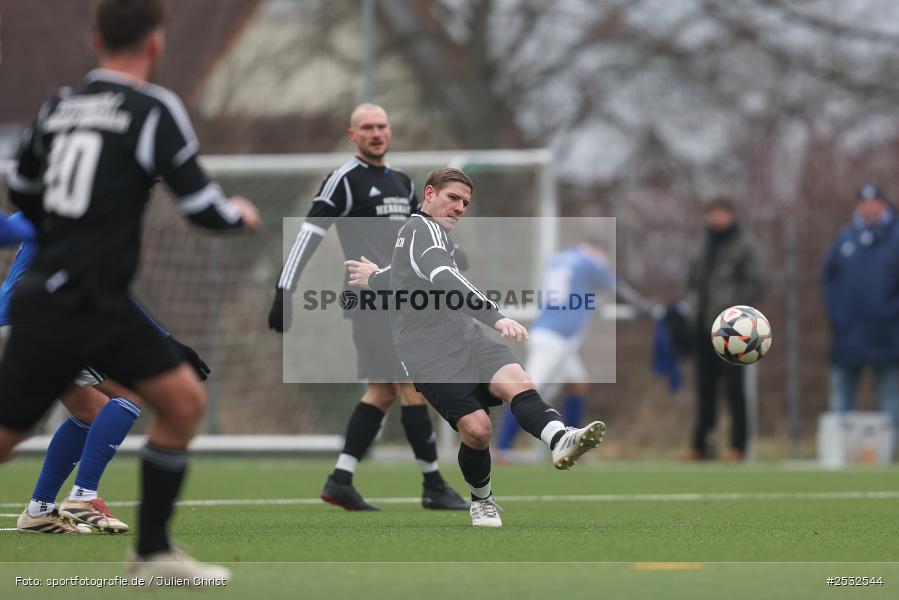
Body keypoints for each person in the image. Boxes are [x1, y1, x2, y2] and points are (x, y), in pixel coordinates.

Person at [0, 0, 258, 582]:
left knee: (181, 397)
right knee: (17, 433)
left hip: (73, 299)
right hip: (77, 302)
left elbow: (21, 193)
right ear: (155, 43)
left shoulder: (57, 107)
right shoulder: (152, 107)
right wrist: (238, 215)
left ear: (95, 41)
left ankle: (151, 553)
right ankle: (100, 513)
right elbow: (202, 206)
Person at [346, 168, 606, 528]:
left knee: (519, 382)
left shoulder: (423, 234)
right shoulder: (424, 232)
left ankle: (561, 437)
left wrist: (374, 277)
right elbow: (444, 278)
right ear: (430, 194)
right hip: (427, 355)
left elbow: (404, 274)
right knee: (478, 430)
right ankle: (482, 500)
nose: (460, 207)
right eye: (453, 198)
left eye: (465, 203)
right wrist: (495, 316)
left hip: (466, 338)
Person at [267, 103, 467, 511]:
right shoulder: (342, 180)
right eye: (367, 127)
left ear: (389, 132)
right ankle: (433, 485)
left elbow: (420, 232)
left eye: (382, 126)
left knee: (381, 392)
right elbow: (309, 234)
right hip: (371, 300)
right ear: (352, 135)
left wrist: (451, 252)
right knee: (413, 387)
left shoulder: (400, 180)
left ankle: (340, 480)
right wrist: (284, 289)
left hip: (404, 298)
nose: (376, 133)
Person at [0, 231, 210, 534]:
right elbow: (108, 289)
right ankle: (83, 496)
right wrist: (165, 340)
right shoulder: (86, 214)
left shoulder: (43, 208)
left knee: (90, 411)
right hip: (48, 318)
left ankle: (39, 510)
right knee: (131, 393)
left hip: (19, 316)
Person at [495, 239, 615, 455]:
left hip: (555, 336)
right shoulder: (589, 261)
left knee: (578, 384)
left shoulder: (560, 259)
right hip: (555, 338)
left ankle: (575, 446)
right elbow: (610, 283)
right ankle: (502, 449)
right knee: (527, 390)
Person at [822, 183, 899, 457]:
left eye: (874, 202)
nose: (868, 207)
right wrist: (838, 315)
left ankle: (891, 455)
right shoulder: (845, 238)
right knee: (841, 397)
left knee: (890, 398)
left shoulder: (895, 237)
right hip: (847, 335)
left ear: (883, 205)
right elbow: (828, 279)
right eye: (863, 202)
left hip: (888, 335)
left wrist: (890, 314)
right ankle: (839, 455)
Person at [684, 196, 763, 461]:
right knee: (704, 389)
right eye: (713, 213)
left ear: (730, 215)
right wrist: (692, 309)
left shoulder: (744, 245)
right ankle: (701, 445)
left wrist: (734, 311)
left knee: (735, 390)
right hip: (703, 327)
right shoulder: (702, 244)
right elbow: (692, 281)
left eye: (721, 213)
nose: (716, 218)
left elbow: (756, 282)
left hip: (734, 331)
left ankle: (738, 447)